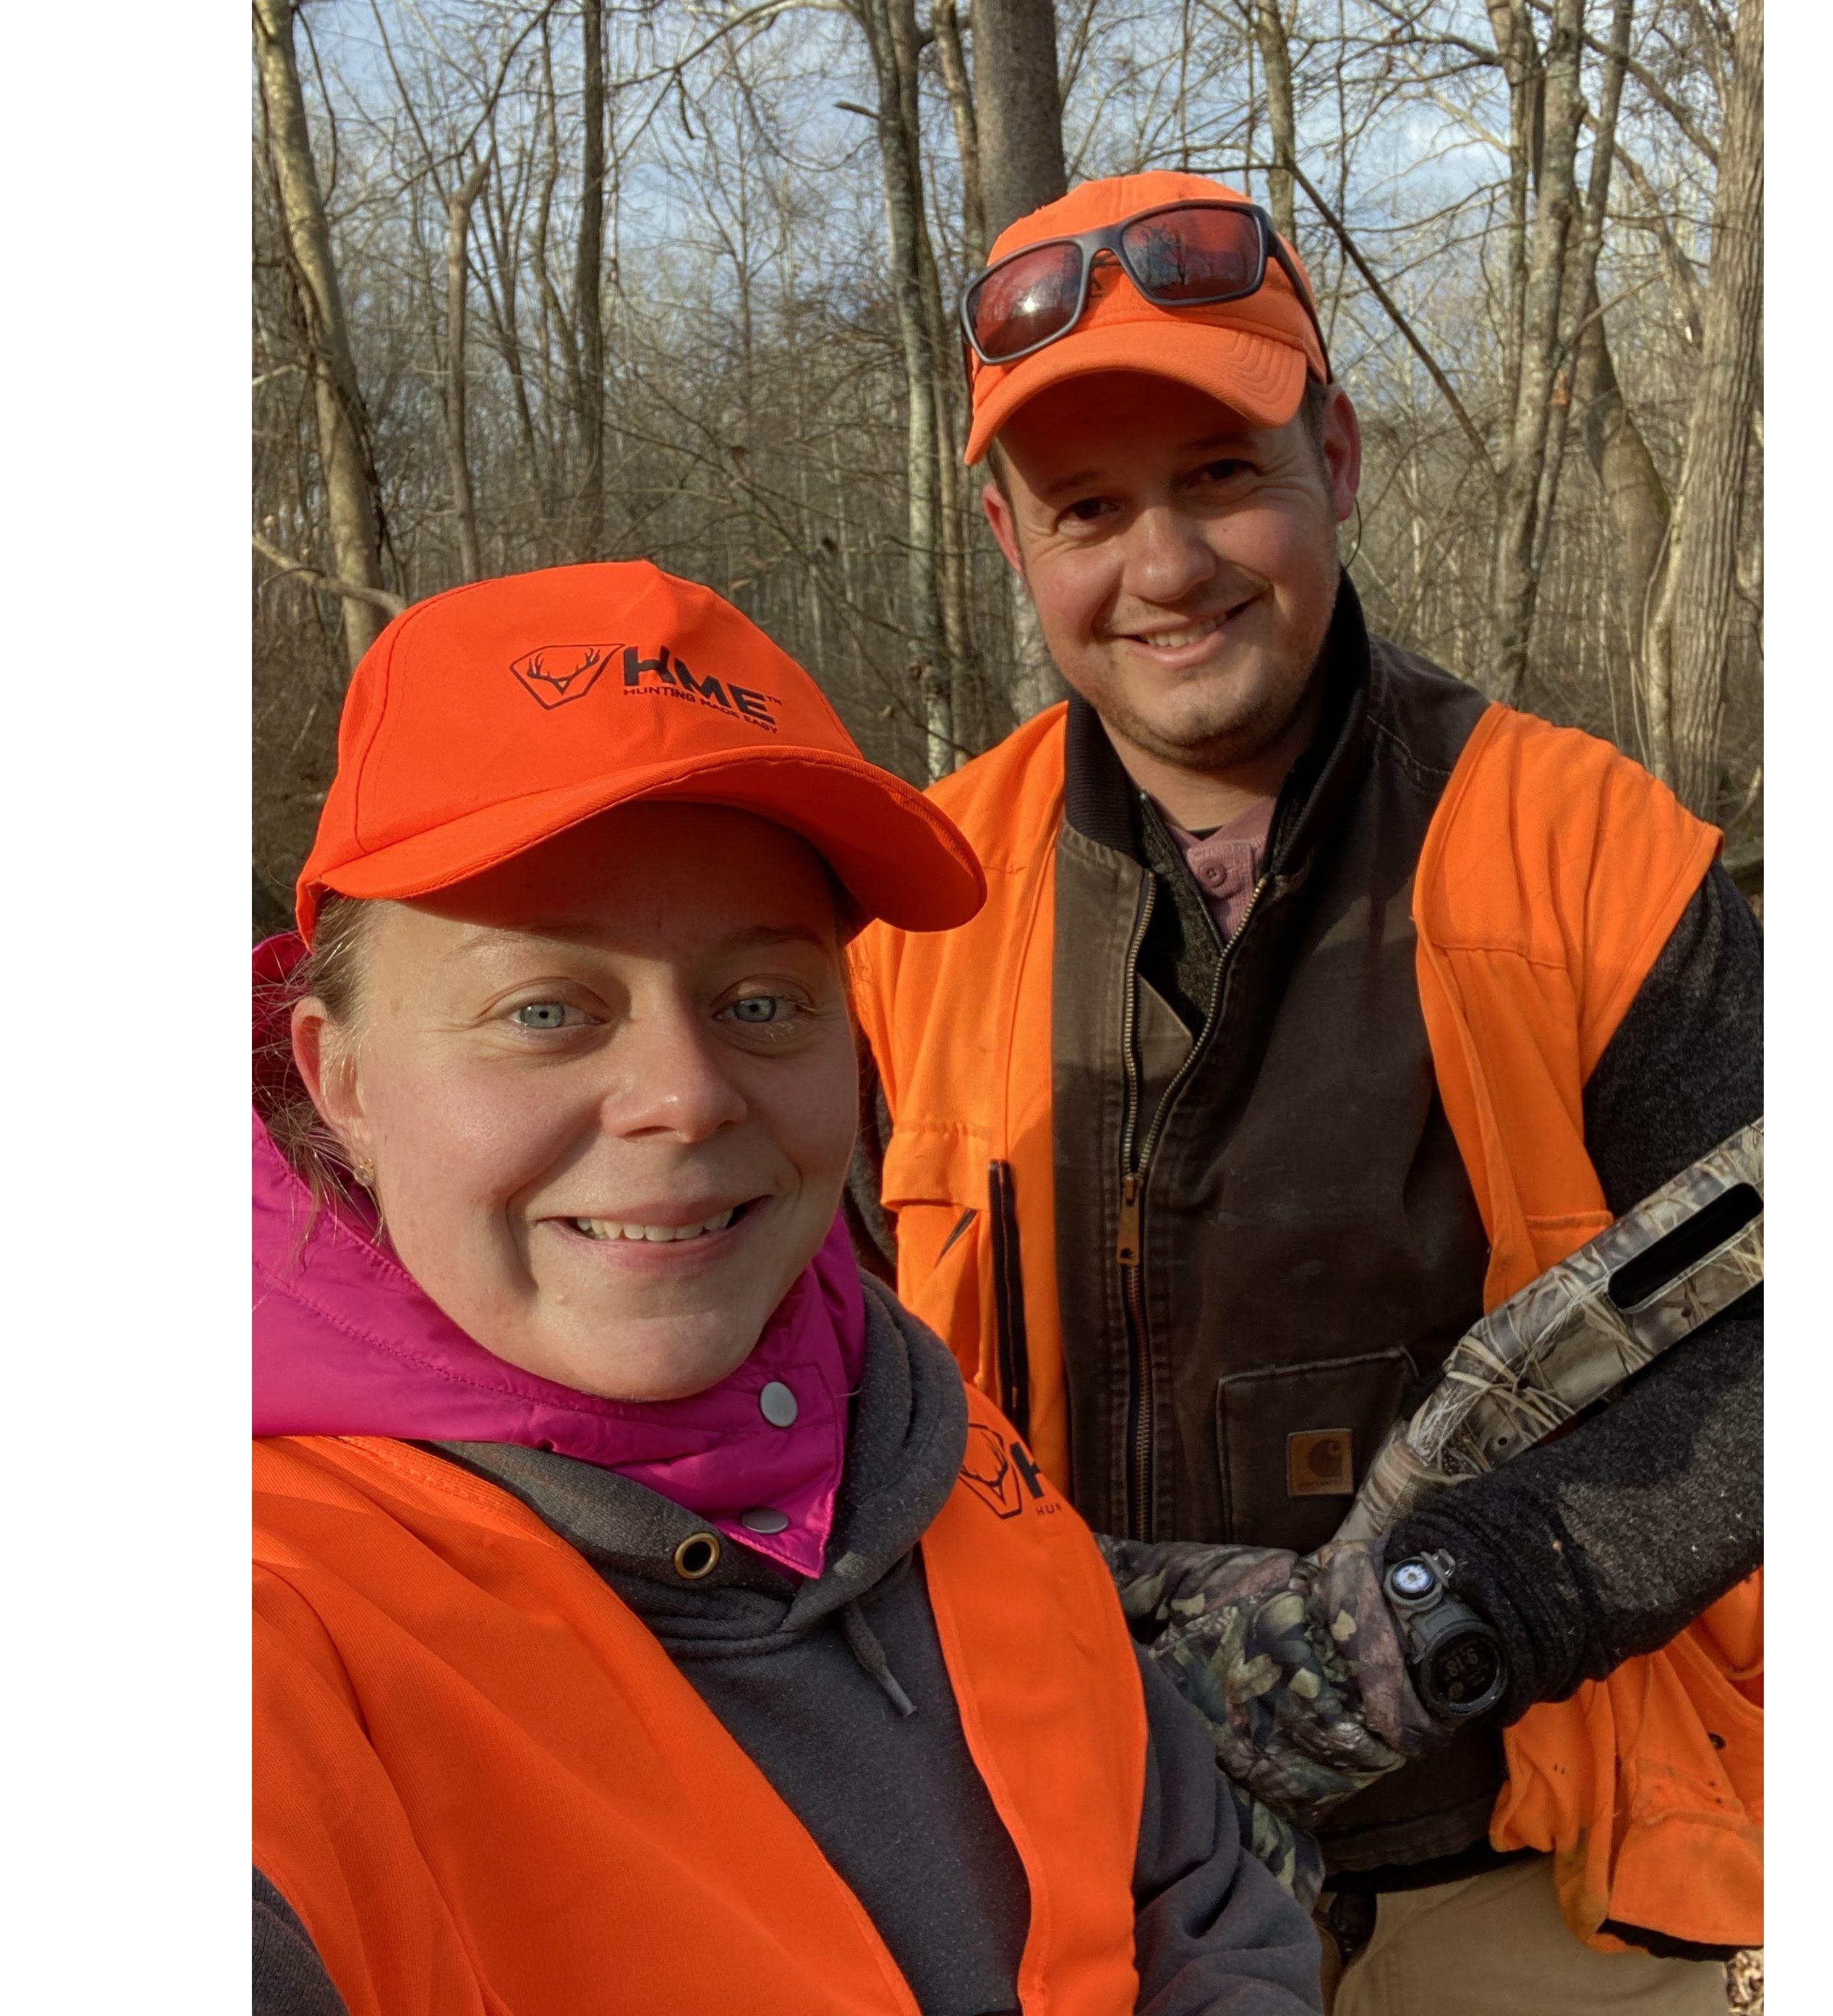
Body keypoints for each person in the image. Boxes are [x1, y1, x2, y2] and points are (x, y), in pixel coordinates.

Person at [845, 172, 1762, 2015]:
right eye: (1089, 509)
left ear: (1334, 457)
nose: (1167, 566)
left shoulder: (1591, 851)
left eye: (1219, 475)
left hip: (1542, 1850)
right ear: (1010, 544)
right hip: (1066, 1861)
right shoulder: (905, 904)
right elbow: (800, 1375)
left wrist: (1443, 1618)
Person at [251, 560, 1326, 2016]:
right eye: (547, 1010)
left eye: (761, 1002)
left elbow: (1194, 1891)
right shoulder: (269, 1625)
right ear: (343, 1076)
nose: (686, 1097)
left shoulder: (913, 1429)